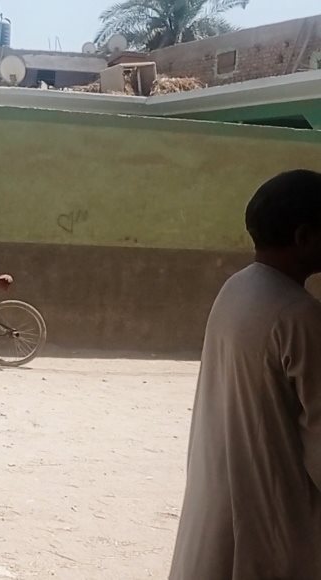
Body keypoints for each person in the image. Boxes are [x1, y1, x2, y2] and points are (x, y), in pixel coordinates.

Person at [169, 169, 321, 580]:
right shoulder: (300, 316)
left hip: (220, 508)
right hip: (273, 524)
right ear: (304, 236)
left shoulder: (236, 289)